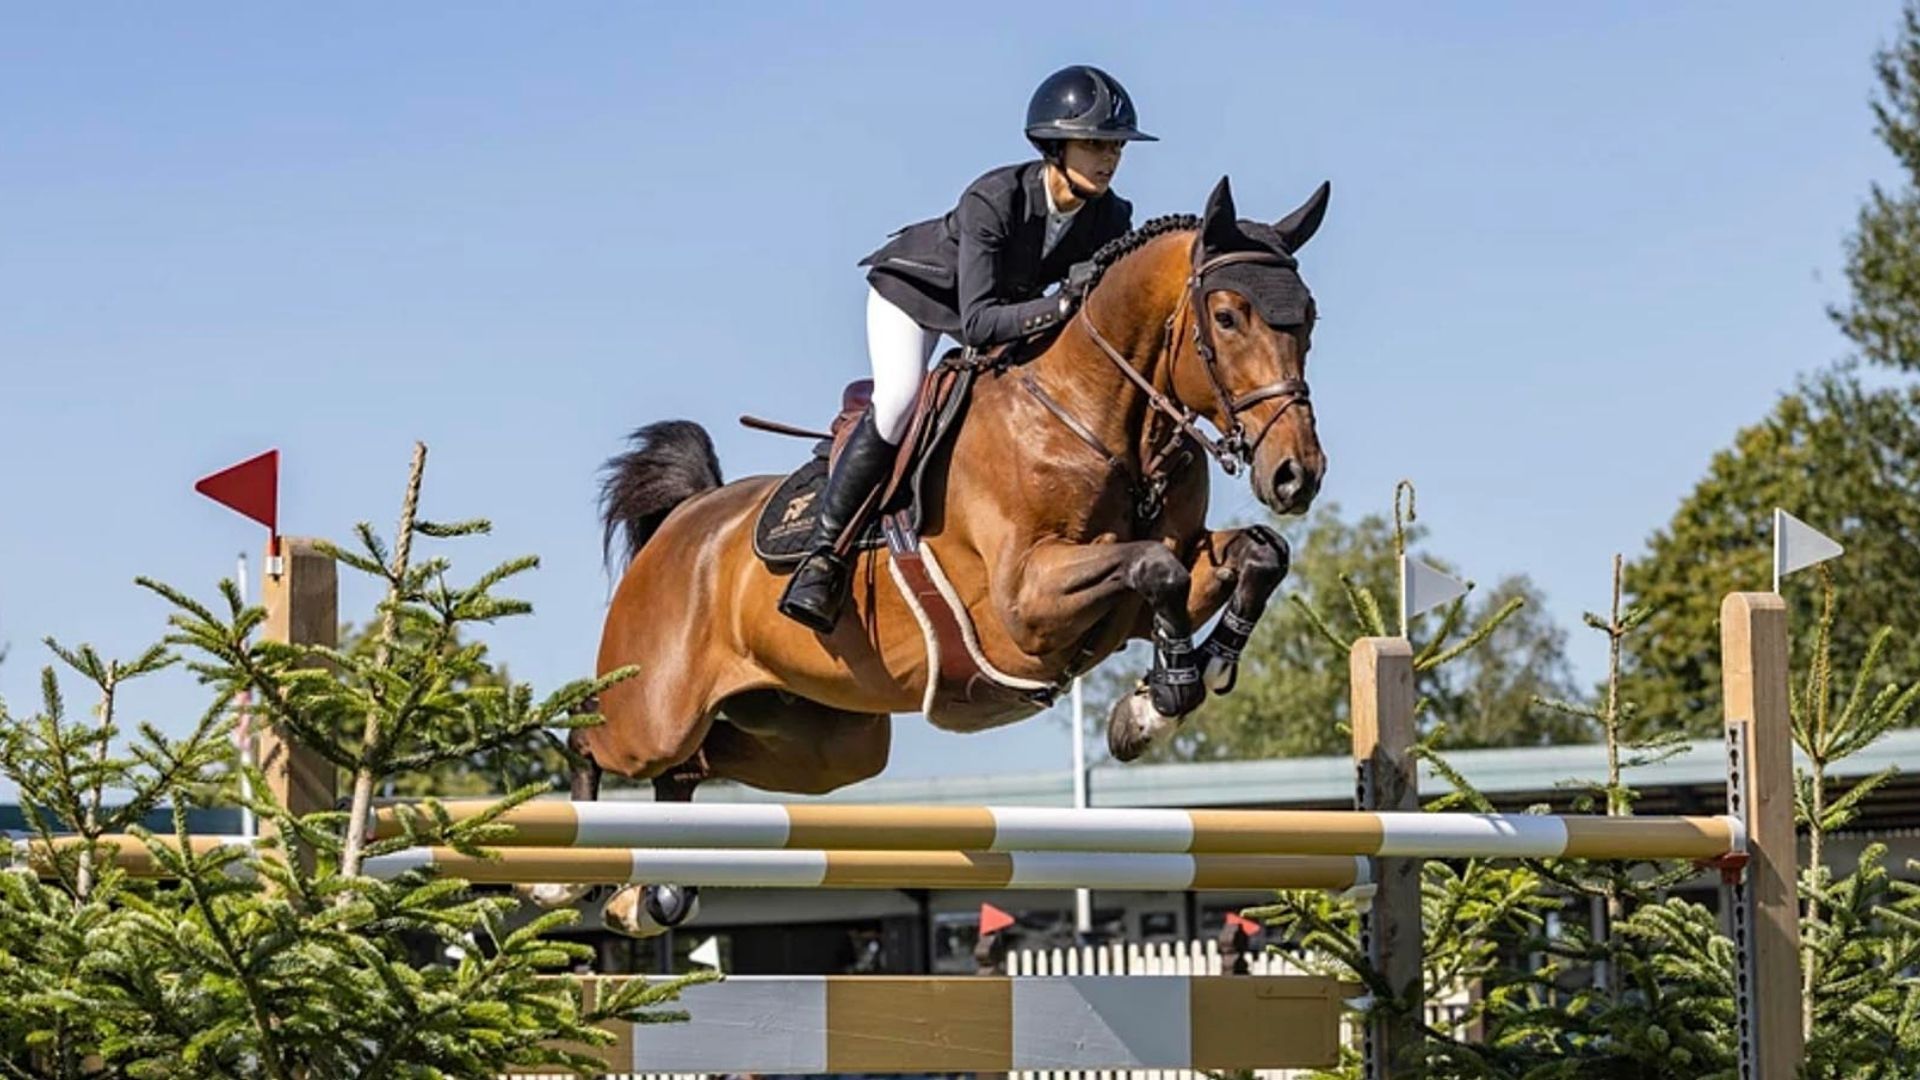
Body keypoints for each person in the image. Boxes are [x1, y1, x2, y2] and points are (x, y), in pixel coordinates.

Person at [778, 64, 1157, 632]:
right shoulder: (995, 198)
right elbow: (978, 322)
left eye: (1117, 148)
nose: (1110, 159)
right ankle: (823, 555)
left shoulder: (1112, 217)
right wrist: (1059, 306)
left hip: (1007, 309)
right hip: (918, 297)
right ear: (1056, 146)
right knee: (900, 400)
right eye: (1096, 144)